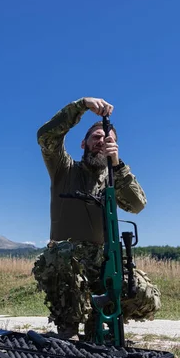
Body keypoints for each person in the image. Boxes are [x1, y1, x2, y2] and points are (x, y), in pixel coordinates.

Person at [32, 96, 161, 341]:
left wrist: (118, 165)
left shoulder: (114, 180)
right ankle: (68, 331)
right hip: (69, 260)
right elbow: (46, 136)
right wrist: (81, 106)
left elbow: (137, 204)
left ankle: (98, 328)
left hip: (103, 261)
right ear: (83, 143)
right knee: (61, 254)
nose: (102, 142)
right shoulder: (64, 169)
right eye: (97, 137)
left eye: (109, 140)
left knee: (145, 293)